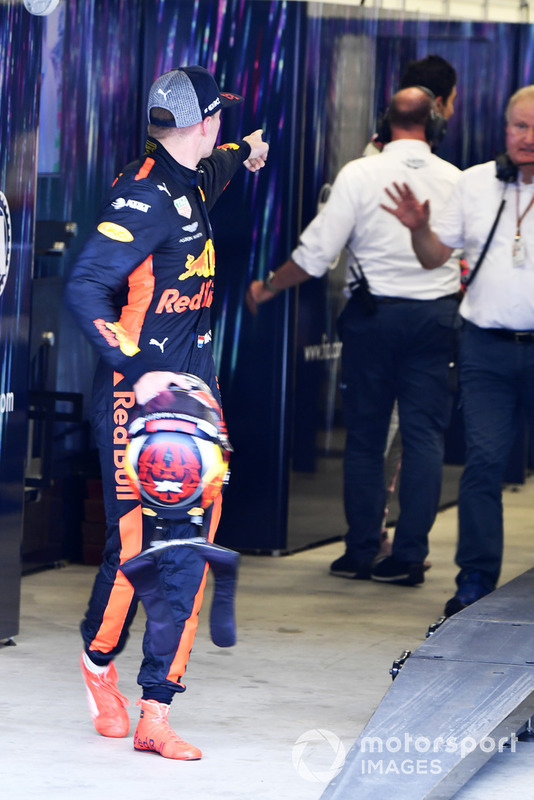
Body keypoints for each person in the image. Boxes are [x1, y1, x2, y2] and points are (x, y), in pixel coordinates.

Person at [65, 65, 268, 759]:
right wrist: (138, 370)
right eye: (224, 123)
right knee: (134, 552)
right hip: (134, 402)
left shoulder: (196, 178)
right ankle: (98, 665)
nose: (226, 133)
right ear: (205, 123)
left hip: (197, 406)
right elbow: (85, 289)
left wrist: (252, 150)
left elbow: (228, 164)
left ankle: (156, 708)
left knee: (188, 551)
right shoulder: (142, 196)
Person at [247, 87, 461, 586]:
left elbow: (316, 255)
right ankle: (409, 556)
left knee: (365, 439)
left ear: (384, 124)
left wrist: (268, 285)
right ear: (434, 124)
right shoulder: (455, 179)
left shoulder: (359, 174)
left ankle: (362, 549)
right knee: (424, 439)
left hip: (374, 322)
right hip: (436, 321)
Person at [382, 84, 534, 616]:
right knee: (484, 464)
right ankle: (474, 579)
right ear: (504, 127)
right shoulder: (474, 184)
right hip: (485, 348)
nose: (526, 137)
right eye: (518, 125)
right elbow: (432, 258)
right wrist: (420, 228)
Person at [364, 54, 458, 558]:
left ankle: (379, 534)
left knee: (397, 435)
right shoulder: (437, 171)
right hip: (409, 313)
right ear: (439, 106)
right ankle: (382, 535)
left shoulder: (367, 160)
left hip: (383, 313)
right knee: (398, 434)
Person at [364, 54, 457, 156]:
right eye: (451, 102)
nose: (452, 111)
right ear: (438, 106)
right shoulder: (444, 170)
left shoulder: (367, 159)